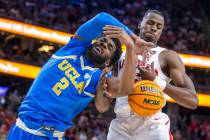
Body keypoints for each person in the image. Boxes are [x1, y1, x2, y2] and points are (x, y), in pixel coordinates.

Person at [7, 12, 152, 140]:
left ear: (108, 62)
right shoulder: (74, 47)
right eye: (102, 40)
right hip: (21, 129)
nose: (103, 43)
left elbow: (123, 89)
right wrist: (133, 37)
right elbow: (101, 18)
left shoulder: (101, 77)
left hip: (48, 135)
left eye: (109, 47)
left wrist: (131, 47)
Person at [106, 10, 199, 140]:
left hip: (152, 124)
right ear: (140, 24)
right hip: (121, 123)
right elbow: (109, 90)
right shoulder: (120, 55)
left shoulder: (167, 56)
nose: (154, 28)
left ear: (161, 32)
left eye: (158, 26)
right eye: (150, 23)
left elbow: (192, 101)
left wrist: (155, 80)